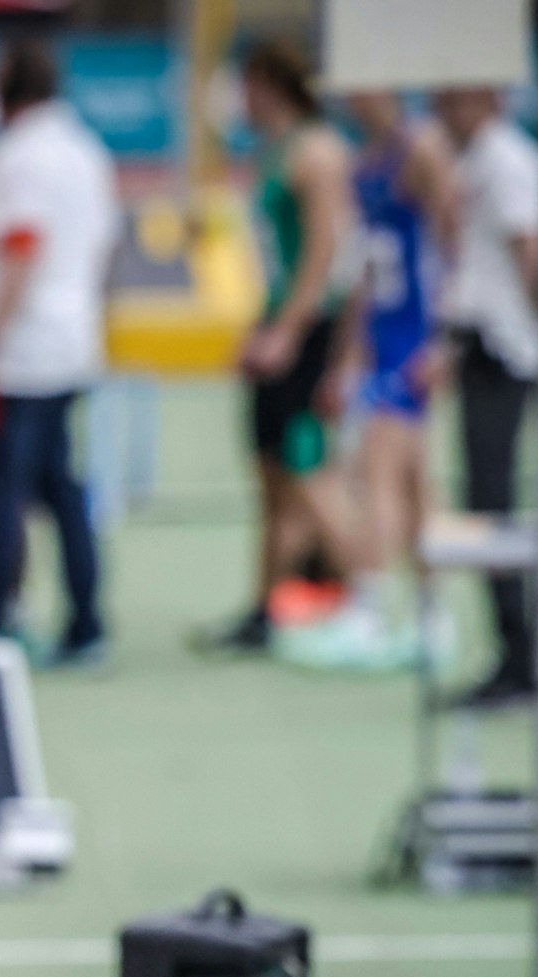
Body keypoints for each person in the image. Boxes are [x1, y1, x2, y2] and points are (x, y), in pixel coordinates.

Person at [0, 40, 117, 662]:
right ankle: (85, 620)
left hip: (19, 355)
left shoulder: (24, 157)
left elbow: (22, 244)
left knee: (0, 489)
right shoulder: (84, 150)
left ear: (8, 88)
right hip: (63, 344)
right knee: (60, 487)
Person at [279, 89, 456, 671]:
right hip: (383, 341)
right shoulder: (365, 162)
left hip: (413, 341)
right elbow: (363, 274)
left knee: (380, 475)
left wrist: (447, 338)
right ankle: (431, 618)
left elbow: (454, 242)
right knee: (407, 484)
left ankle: (375, 609)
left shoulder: (419, 149)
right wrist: (343, 361)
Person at [198, 40, 365, 657]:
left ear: (268, 82)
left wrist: (288, 334)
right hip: (280, 327)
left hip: (306, 335)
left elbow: (328, 252)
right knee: (272, 479)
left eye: (245, 84)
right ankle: (264, 609)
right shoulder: (277, 151)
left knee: (310, 474)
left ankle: (372, 602)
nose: (238, 99)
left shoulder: (317, 151)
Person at [432, 86, 538, 710]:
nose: (441, 110)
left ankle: (521, 661)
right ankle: (514, 652)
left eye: (452, 100)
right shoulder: (476, 160)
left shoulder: (508, 161)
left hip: (506, 349)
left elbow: (530, 252)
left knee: (495, 506)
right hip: (484, 342)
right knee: (484, 502)